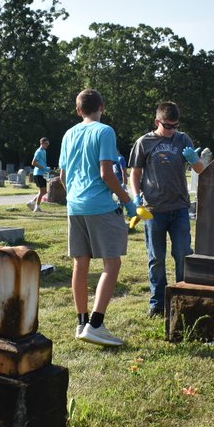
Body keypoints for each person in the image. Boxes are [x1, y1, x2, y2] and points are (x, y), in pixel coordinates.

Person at [58, 89, 137, 347]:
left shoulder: (69, 134)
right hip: (100, 205)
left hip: (75, 206)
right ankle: (96, 323)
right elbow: (107, 173)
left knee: (80, 264)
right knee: (111, 265)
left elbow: (62, 176)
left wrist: (75, 198)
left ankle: (81, 322)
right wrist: (127, 201)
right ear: (102, 106)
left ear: (78, 110)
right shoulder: (104, 131)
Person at [128, 101, 207, 318]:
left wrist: (195, 160)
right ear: (157, 122)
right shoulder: (144, 142)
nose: (172, 130)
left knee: (183, 253)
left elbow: (202, 170)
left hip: (180, 207)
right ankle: (158, 303)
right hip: (154, 209)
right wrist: (136, 197)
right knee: (156, 257)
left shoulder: (183, 139)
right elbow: (135, 173)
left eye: (176, 125)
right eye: (168, 126)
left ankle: (184, 297)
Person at [29, 137, 50, 212]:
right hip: (38, 173)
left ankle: (32, 202)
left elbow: (42, 162)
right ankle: (37, 207)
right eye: (46, 143)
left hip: (42, 173)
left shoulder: (44, 151)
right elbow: (33, 162)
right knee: (42, 191)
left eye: (48, 144)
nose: (47, 145)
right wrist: (43, 168)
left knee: (44, 191)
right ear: (41, 143)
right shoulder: (39, 151)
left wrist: (45, 168)